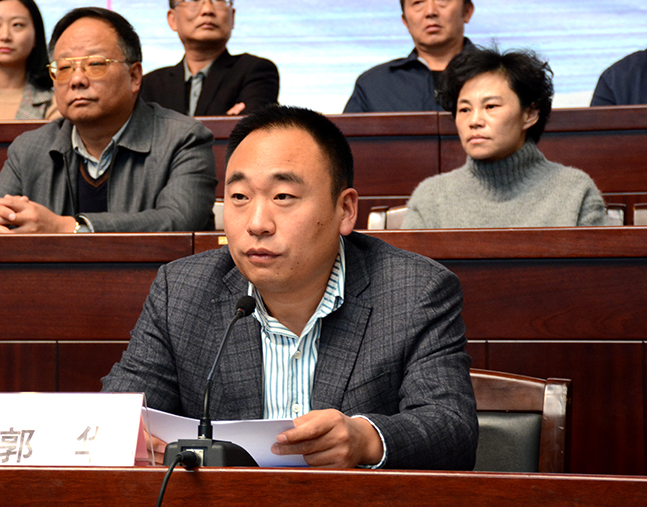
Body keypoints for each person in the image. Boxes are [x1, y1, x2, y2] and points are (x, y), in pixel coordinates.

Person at [102, 105, 478, 470]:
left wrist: (366, 440)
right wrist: (126, 435)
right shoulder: (183, 291)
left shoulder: (414, 290)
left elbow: (452, 428)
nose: (257, 223)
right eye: (239, 197)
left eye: (283, 197)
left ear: (345, 210)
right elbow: (116, 412)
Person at [0, 7, 217, 234]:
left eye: (95, 64)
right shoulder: (30, 148)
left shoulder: (183, 139)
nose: (77, 79)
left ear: (134, 76)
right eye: (64, 67)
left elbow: (179, 221)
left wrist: (66, 227)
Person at [402, 47, 607, 229]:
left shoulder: (575, 191)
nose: (474, 121)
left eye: (490, 106)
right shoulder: (431, 198)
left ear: (530, 114)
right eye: (464, 109)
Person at [141, 0, 279, 117]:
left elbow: (249, 132)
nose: (207, 10)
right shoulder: (149, 86)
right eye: (194, 0)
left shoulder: (256, 72)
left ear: (232, 17)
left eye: (218, 0)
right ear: (172, 19)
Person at [344, 0, 475, 113]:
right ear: (405, 21)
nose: (430, 12)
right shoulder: (373, 86)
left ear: (467, 11)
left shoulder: (487, 73)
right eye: (417, 2)